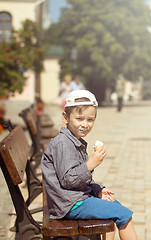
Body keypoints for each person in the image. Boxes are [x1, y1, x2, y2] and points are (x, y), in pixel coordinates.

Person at [41, 90, 138, 240]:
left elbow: (77, 179)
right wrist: (90, 165)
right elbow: (68, 180)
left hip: (72, 199)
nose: (84, 125)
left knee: (114, 208)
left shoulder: (73, 140)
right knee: (124, 214)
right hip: (69, 204)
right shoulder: (63, 144)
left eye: (90, 120)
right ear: (65, 118)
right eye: (79, 119)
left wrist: (97, 189)